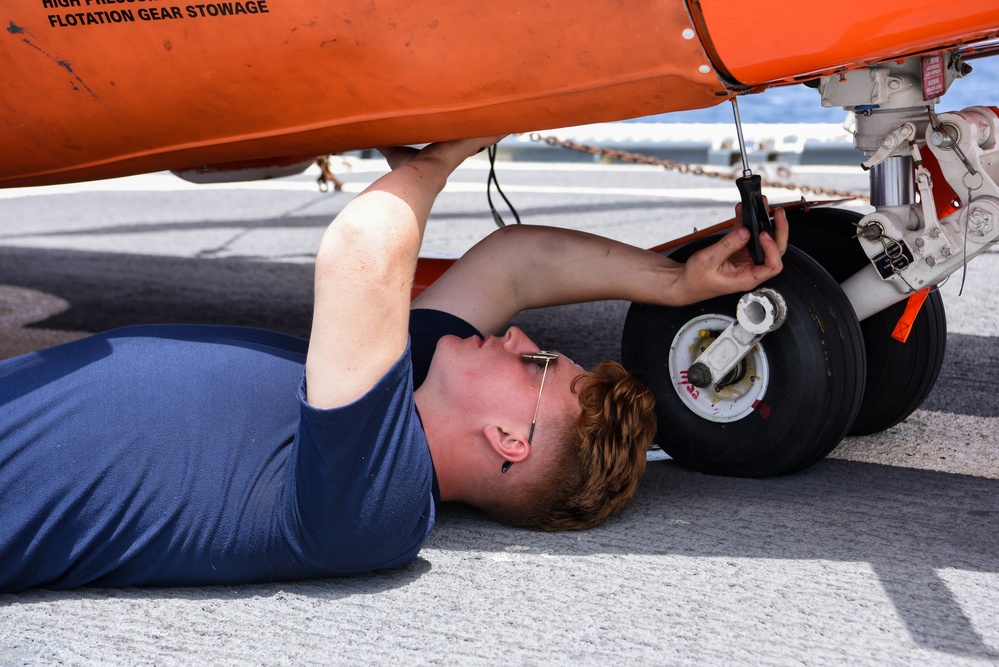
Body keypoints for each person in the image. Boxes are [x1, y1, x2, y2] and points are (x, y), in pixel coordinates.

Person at [0, 136, 787, 593]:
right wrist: (674, 282)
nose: (517, 335)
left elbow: (362, 248)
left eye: (536, 360)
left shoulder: (377, 501)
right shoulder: (400, 385)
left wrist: (438, 158)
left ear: (509, 438)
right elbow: (516, 264)